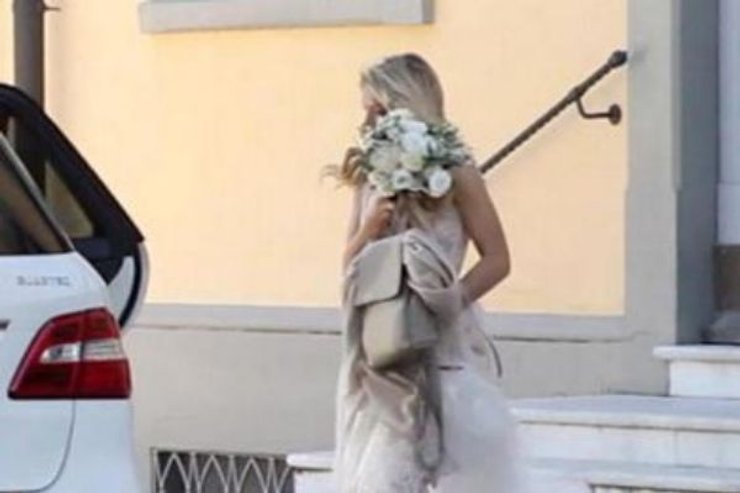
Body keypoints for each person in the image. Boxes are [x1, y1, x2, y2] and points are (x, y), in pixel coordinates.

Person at [323, 52, 526, 493]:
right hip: (385, 354)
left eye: (379, 110)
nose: (369, 124)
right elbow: (347, 268)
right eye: (366, 112)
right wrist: (371, 227)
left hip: (444, 349)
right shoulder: (369, 177)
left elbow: (498, 259)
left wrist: (450, 301)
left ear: (406, 105)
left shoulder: (458, 173)